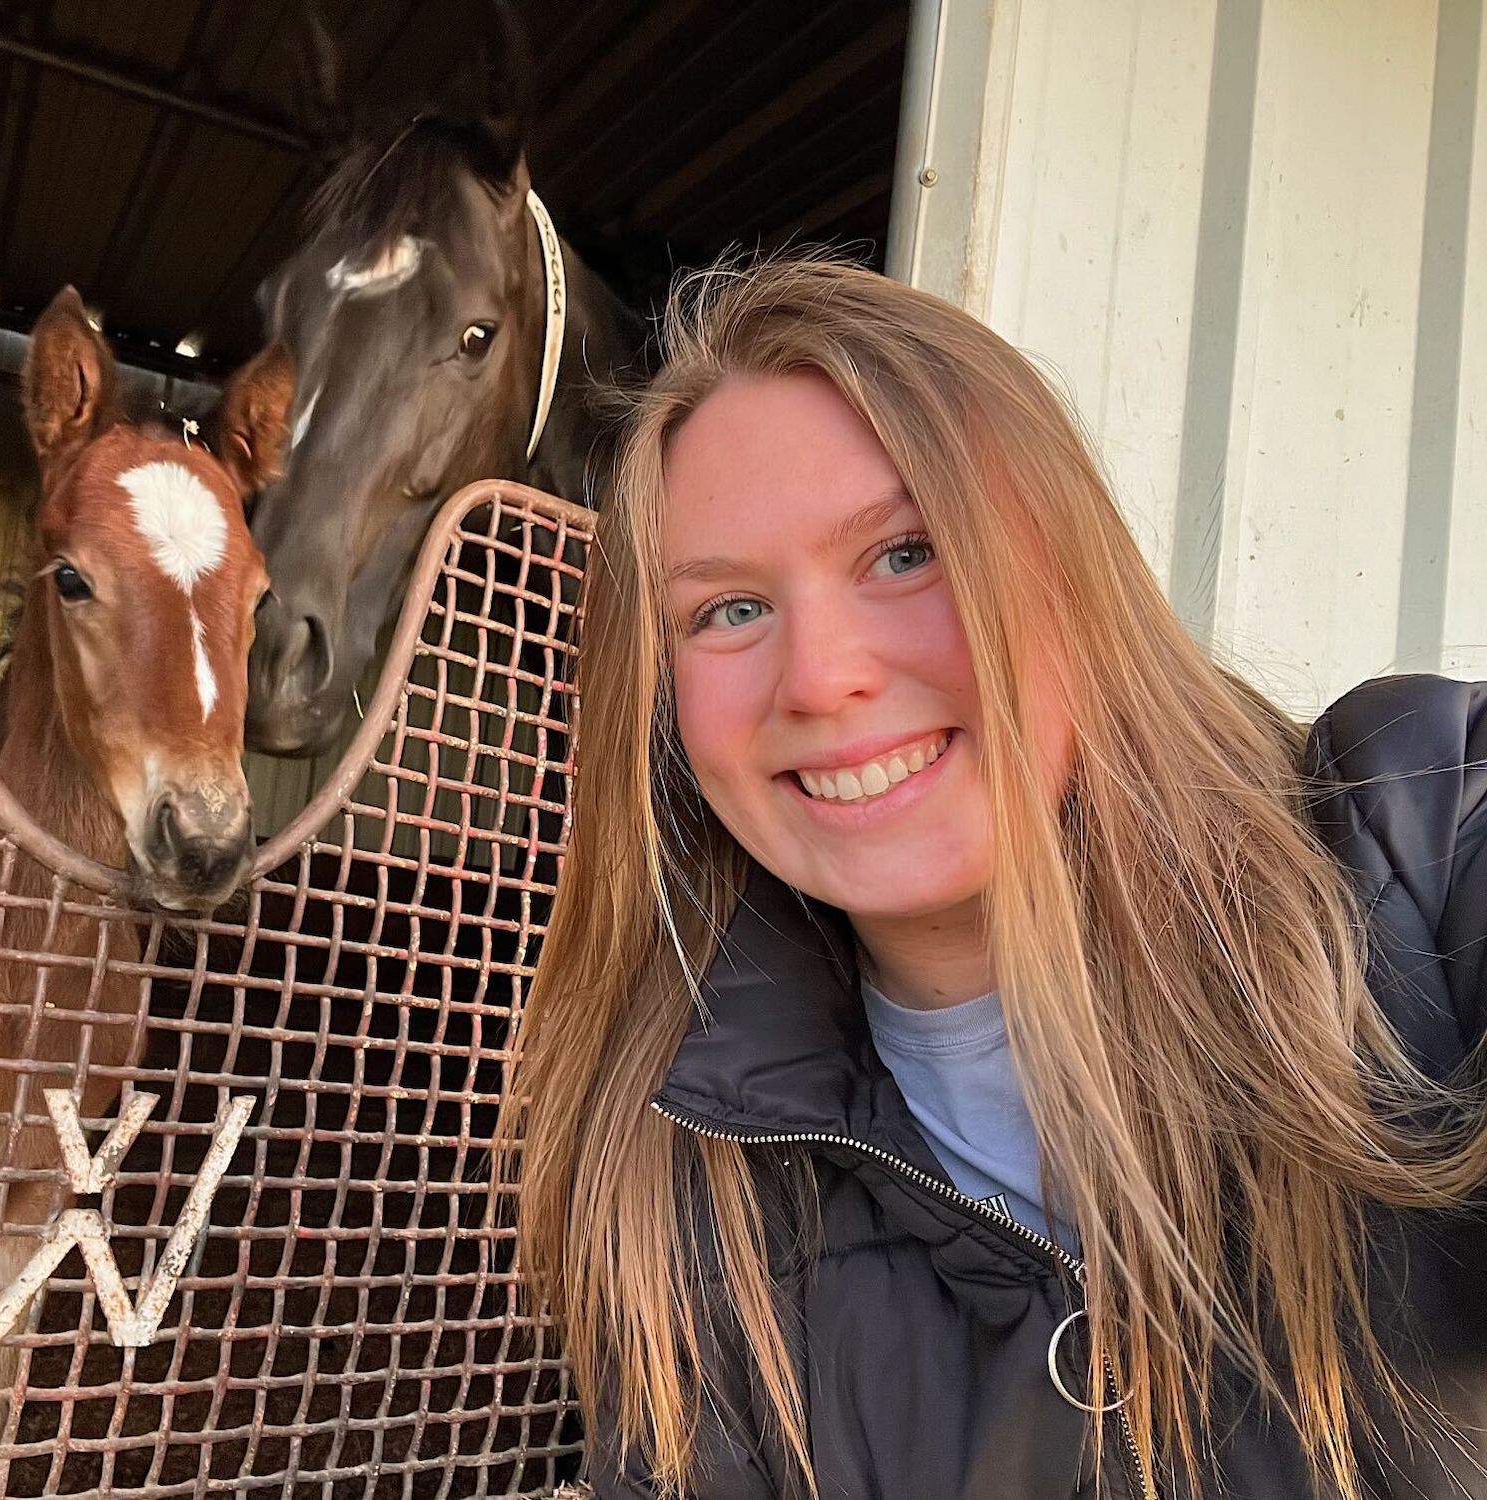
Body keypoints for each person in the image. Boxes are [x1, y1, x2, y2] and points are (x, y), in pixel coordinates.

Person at [505, 256, 1487, 1499]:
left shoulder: (1422, 828)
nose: (818, 677)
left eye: (905, 551)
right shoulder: (685, 1186)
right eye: (728, 612)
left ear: (1069, 570)